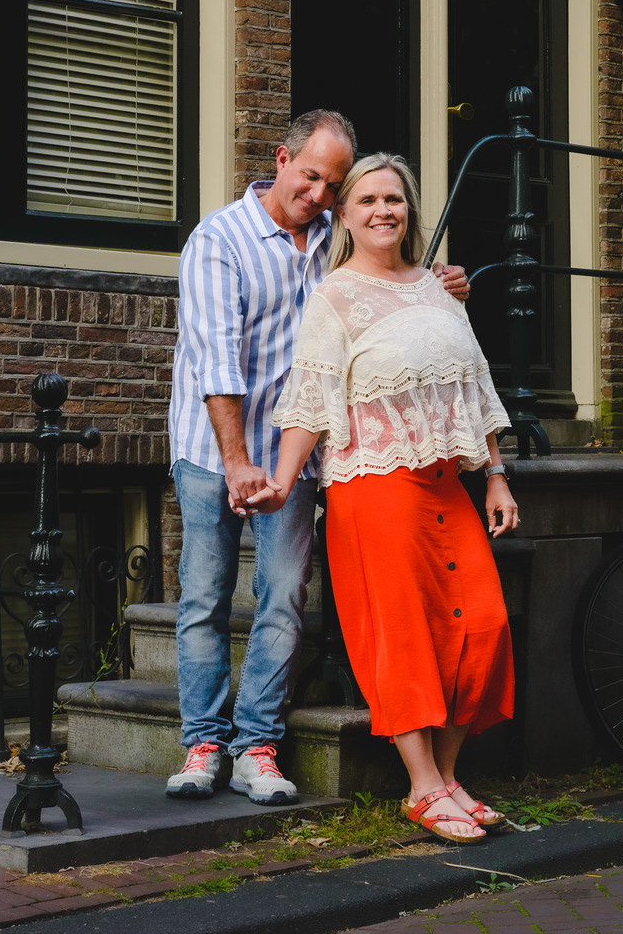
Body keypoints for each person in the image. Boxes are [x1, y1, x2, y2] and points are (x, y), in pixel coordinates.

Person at [165, 112, 469, 803]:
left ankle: (258, 747)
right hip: (214, 451)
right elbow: (217, 364)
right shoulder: (220, 240)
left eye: (334, 184)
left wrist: (441, 287)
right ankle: (203, 743)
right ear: (281, 159)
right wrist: (239, 461)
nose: (320, 195)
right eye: (311, 177)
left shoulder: (338, 232)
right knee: (206, 597)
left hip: (295, 455)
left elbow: (387, 286)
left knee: (282, 600)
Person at [257, 152, 520, 844]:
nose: (383, 211)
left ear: (410, 210)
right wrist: (282, 483)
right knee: (400, 638)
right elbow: (308, 399)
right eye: (368, 199)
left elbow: (475, 386)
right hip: (373, 486)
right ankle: (423, 786)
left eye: (394, 199)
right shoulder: (335, 296)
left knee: (483, 626)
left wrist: (495, 473)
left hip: (444, 484)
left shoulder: (437, 288)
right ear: (344, 214)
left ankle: (450, 774)